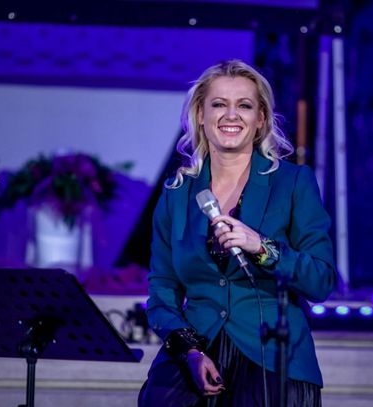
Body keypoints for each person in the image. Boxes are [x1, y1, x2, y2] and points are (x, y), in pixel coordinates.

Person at [138, 59, 337, 407]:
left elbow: (321, 281)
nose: (231, 115)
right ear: (200, 115)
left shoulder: (293, 183)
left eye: (244, 105)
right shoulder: (177, 193)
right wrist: (189, 350)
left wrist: (262, 247)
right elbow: (162, 289)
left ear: (261, 118)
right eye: (219, 104)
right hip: (197, 346)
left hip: (271, 354)